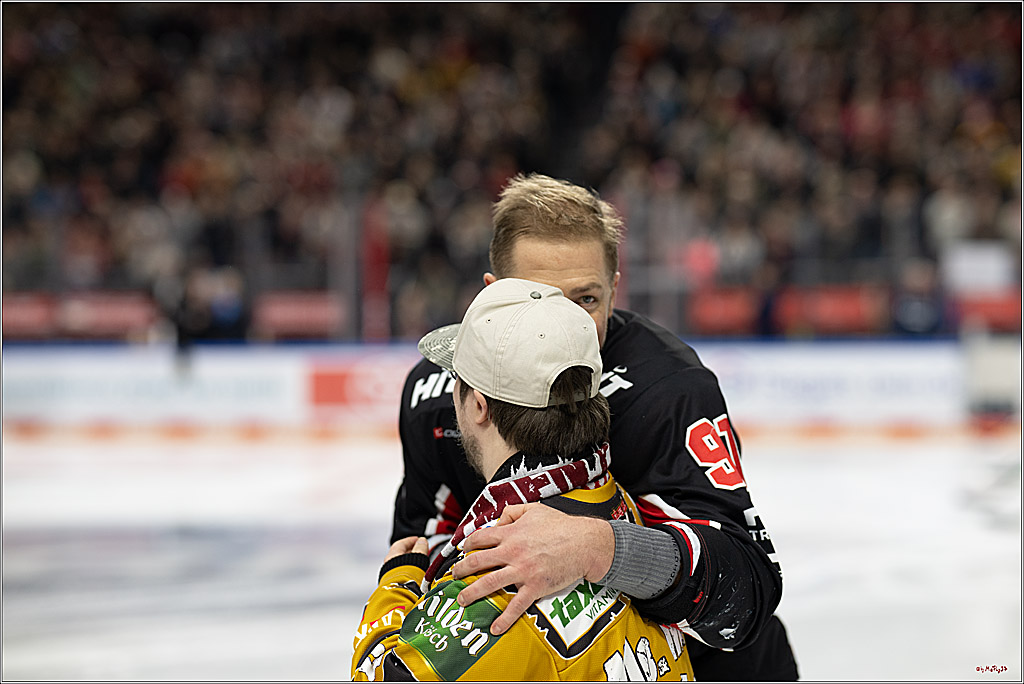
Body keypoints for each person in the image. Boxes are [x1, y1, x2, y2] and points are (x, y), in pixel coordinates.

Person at [393, 173, 798, 680]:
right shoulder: (441, 395)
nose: (566, 325)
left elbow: (747, 592)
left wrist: (600, 547)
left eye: (585, 300)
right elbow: (416, 555)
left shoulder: (668, 389)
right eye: (539, 299)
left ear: (614, 289)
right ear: (493, 293)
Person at [353, 278, 696, 680]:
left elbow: (382, 675)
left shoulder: (496, 574)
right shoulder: (620, 504)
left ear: (478, 406)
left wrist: (397, 585)